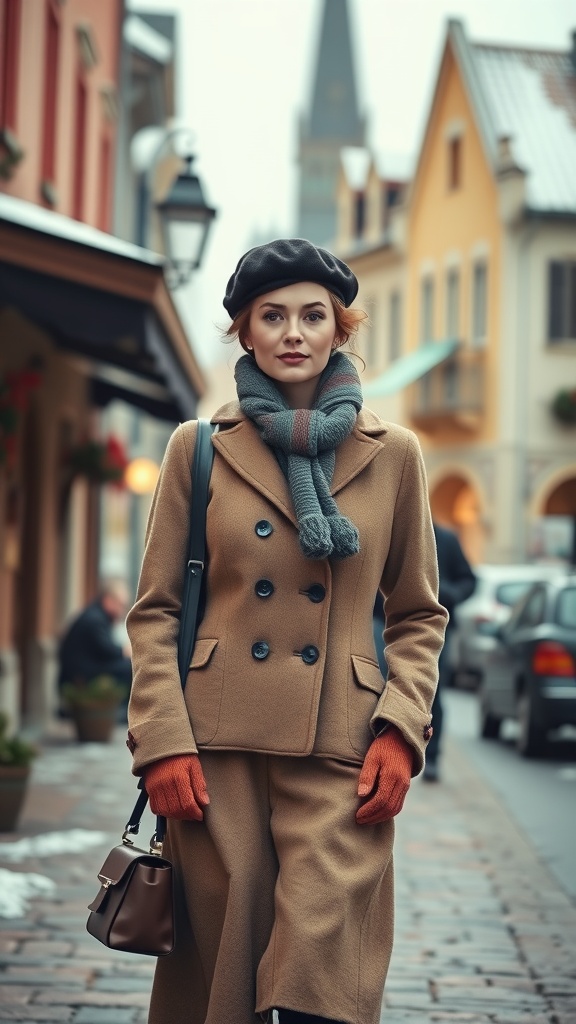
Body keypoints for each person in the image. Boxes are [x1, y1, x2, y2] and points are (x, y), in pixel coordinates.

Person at [126, 238, 447, 1024]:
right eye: (273, 316)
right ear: (244, 331)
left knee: (317, 982)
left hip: (343, 749)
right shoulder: (197, 448)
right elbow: (156, 609)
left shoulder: (394, 454)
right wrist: (161, 740)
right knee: (225, 990)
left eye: (314, 315)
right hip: (215, 753)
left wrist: (403, 731)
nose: (294, 332)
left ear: (341, 329)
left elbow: (417, 614)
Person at [422, 523, 476, 782]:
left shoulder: (446, 538)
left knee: (433, 694)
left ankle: (431, 759)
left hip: (437, 630)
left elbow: (469, 580)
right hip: (385, 624)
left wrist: (448, 594)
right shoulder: (391, 526)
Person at [58, 577, 132, 711]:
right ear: (108, 601)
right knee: (128, 667)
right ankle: (121, 711)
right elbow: (106, 650)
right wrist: (124, 651)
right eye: (120, 605)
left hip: (84, 668)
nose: (122, 610)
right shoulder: (95, 619)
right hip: (79, 676)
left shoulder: (96, 615)